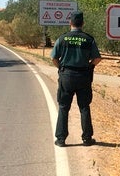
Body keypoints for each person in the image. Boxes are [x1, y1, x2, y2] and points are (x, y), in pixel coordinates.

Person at [51, 10, 102, 147]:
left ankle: (61, 139)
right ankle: (87, 138)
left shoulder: (62, 38)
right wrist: (90, 67)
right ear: (82, 23)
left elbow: (53, 58)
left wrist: (61, 68)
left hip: (66, 76)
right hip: (83, 76)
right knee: (84, 107)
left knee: (63, 107)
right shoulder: (88, 39)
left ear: (70, 23)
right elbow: (97, 58)